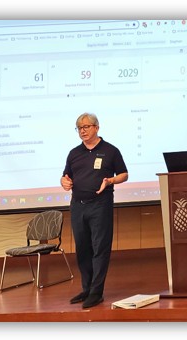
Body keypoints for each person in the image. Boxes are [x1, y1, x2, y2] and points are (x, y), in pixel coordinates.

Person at [61, 113, 128, 309]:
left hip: (100, 204)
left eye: (86, 127)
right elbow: (66, 176)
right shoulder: (74, 153)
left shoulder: (110, 151)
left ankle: (97, 292)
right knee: (83, 248)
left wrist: (111, 180)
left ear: (97, 128)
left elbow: (124, 174)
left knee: (100, 248)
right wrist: (64, 182)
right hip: (78, 205)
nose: (83, 131)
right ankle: (87, 288)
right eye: (79, 128)